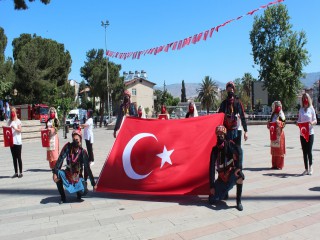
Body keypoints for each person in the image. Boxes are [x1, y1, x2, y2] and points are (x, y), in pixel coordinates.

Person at [52, 129, 96, 204]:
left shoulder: (83, 152)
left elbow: (87, 169)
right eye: (74, 139)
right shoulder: (68, 147)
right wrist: (55, 172)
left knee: (83, 192)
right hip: (68, 174)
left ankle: (79, 192)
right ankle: (63, 197)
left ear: (80, 140)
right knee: (58, 175)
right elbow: (60, 159)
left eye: (77, 140)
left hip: (77, 176)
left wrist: (93, 184)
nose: (75, 141)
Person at [209, 125, 244, 211]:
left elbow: (239, 151)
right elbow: (211, 168)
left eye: (222, 134)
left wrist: (238, 168)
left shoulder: (229, 145)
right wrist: (212, 186)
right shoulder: (214, 150)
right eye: (218, 134)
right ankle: (225, 193)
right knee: (211, 200)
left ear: (225, 135)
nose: (220, 135)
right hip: (221, 178)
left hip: (231, 175)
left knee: (240, 176)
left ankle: (238, 201)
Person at [218, 81, 248, 146]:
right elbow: (219, 116)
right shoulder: (224, 104)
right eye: (228, 90)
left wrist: (245, 131)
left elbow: (242, 117)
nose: (230, 92)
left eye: (231, 90)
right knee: (227, 152)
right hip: (225, 131)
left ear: (233, 90)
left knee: (237, 152)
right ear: (226, 90)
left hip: (236, 131)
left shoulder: (238, 103)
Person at [297, 93, 317, 175]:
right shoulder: (301, 109)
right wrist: (297, 123)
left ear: (308, 99)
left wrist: (311, 123)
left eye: (306, 98)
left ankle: (311, 167)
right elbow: (299, 120)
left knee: (309, 151)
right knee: (304, 151)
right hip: (302, 133)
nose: (305, 99)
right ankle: (306, 168)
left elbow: (315, 120)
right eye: (303, 98)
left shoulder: (311, 108)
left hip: (310, 133)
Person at [267, 101, 286, 170]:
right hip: (273, 133)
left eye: (278, 106)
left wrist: (279, 123)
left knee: (280, 149)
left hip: (279, 134)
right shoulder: (273, 114)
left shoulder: (281, 114)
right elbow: (271, 123)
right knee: (274, 149)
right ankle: (274, 164)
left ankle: (280, 165)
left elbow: (283, 124)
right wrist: (269, 124)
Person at [8, 107, 23, 178]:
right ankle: (16, 172)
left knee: (19, 157)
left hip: (18, 141)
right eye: (11, 112)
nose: (12, 113)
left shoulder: (18, 121)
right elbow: (7, 130)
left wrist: (15, 128)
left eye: (13, 112)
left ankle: (21, 172)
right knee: (14, 158)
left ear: (15, 112)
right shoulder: (9, 121)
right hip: (12, 141)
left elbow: (20, 130)